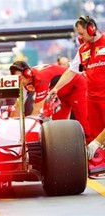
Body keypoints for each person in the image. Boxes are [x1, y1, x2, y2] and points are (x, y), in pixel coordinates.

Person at [49, 16, 105, 174]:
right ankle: (99, 165)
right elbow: (71, 71)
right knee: (95, 136)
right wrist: (56, 89)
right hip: (92, 99)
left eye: (81, 33)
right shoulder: (83, 50)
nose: (79, 38)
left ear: (91, 29)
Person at [9, 61, 90, 141]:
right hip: (60, 93)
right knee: (57, 127)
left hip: (76, 86)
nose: (18, 80)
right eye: (15, 78)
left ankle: (92, 147)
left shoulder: (40, 78)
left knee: (84, 122)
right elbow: (18, 106)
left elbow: (37, 111)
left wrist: (28, 134)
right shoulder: (23, 83)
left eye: (19, 77)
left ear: (27, 73)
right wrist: (12, 129)